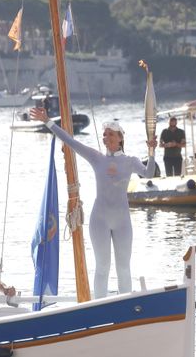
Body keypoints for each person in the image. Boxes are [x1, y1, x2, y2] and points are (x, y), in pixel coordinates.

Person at [30, 107, 158, 298]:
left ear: (120, 138)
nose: (107, 137)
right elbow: (70, 141)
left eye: (111, 134)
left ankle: (125, 305)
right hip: (100, 219)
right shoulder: (96, 157)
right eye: (105, 135)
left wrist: (152, 151)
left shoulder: (131, 161)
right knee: (102, 267)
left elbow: (149, 173)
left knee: (124, 267)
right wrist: (47, 121)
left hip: (122, 220)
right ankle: (100, 305)